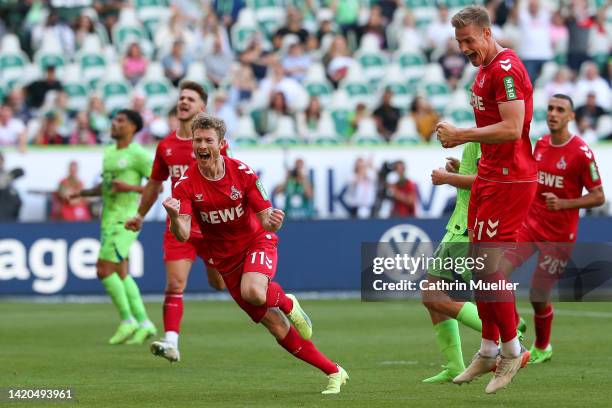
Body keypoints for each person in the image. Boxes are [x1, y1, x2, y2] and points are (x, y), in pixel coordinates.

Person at [165, 113, 348, 394]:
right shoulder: (185, 184)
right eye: (197, 140)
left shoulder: (243, 173)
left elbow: (266, 219)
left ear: (221, 143)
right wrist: (174, 216)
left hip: (256, 243)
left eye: (208, 140)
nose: (201, 145)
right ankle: (334, 371)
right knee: (276, 327)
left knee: (254, 291)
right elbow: (184, 234)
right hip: (226, 261)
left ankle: (287, 301)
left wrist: (275, 221)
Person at [436, 6, 537, 393]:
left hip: (512, 181)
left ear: (487, 33)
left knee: (490, 268)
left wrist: (462, 135)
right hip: (490, 178)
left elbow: (512, 129)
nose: (464, 48)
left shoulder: (507, 70)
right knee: (480, 269)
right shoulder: (482, 73)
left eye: (468, 40)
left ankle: (513, 350)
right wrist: (467, 154)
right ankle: (489, 348)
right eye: (459, 42)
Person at [124, 81, 228, 363]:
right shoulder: (166, 145)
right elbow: (155, 184)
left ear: (201, 108)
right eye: (181, 97)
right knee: (174, 283)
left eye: (190, 99)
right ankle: (171, 341)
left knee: (219, 283)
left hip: (211, 226)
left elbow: (227, 180)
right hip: (179, 226)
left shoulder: (211, 145)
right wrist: (139, 215)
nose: (183, 102)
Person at [498, 94, 605, 363]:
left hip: (559, 236)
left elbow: (598, 196)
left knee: (538, 294)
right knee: (497, 274)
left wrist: (565, 203)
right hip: (530, 224)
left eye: (560, 110)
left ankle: (543, 347)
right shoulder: (542, 143)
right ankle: (513, 323)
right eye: (550, 109)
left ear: (570, 116)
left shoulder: (581, 153)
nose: (553, 113)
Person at [70, 109, 156, 345]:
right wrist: (83, 193)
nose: (115, 124)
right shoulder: (108, 152)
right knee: (120, 272)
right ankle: (145, 323)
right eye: (114, 119)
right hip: (108, 218)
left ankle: (127, 320)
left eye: (121, 121)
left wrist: (130, 188)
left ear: (133, 128)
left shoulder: (138, 154)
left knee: (103, 269)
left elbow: (155, 187)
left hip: (126, 220)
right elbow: (106, 186)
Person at [421, 143, 483, 383]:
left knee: (434, 295)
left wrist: (448, 178)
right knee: (432, 296)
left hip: (467, 228)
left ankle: (507, 338)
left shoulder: (485, 135)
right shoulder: (479, 135)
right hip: (458, 226)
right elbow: (481, 176)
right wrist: (460, 171)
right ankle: (455, 365)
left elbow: (485, 182)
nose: (472, 102)